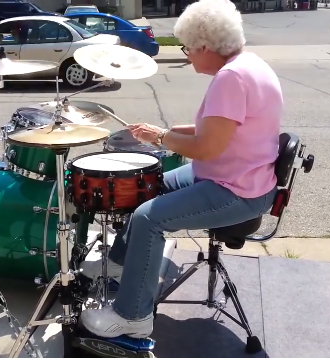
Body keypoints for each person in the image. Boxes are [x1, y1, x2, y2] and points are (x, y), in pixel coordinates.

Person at [78, 0, 283, 339]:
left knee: (148, 217)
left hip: (237, 190)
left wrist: (162, 136)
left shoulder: (231, 78)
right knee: (145, 184)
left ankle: (133, 317)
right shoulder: (250, 64)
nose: (187, 55)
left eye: (188, 48)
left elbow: (206, 147)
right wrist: (169, 130)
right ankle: (120, 263)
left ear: (205, 45)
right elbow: (225, 127)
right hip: (236, 174)